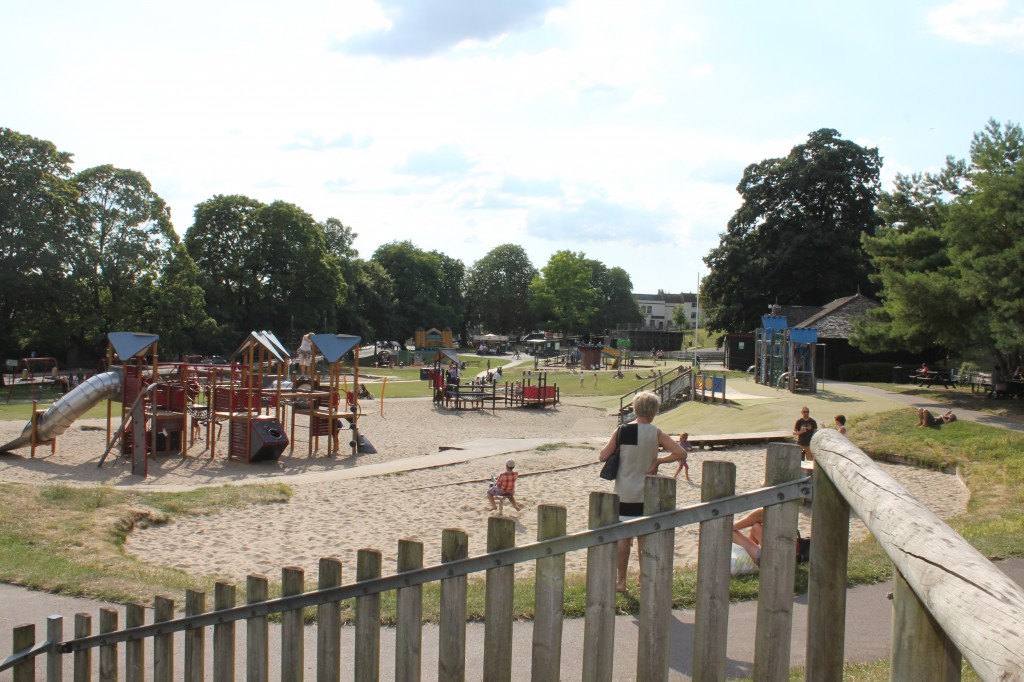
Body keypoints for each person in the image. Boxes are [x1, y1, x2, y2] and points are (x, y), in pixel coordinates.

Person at [599, 391, 688, 593]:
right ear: (654, 411)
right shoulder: (655, 432)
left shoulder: (622, 431)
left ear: (635, 408)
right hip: (647, 491)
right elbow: (680, 453)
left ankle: (621, 581)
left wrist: (619, 452)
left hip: (625, 489)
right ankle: (643, 576)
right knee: (643, 537)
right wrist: (657, 461)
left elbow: (602, 456)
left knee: (624, 537)